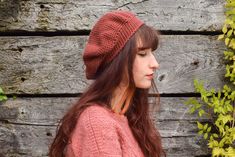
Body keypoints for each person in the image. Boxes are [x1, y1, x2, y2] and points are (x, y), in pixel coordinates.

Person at [49, 10, 165, 157]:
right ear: (116, 61)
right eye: (142, 54)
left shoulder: (127, 118)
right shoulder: (98, 124)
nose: (155, 64)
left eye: (151, 53)